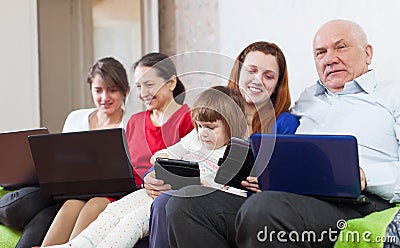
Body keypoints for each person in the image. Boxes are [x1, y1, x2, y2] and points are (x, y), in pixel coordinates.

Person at [166, 19, 400, 248]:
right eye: (320, 52)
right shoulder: (307, 100)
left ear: (367, 53)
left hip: (359, 204)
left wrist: (365, 176)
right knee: (186, 204)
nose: (329, 58)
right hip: (295, 199)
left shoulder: (392, 95)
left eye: (341, 47)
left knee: (262, 208)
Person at [39, 85, 248, 248]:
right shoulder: (196, 137)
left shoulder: (236, 151)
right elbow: (166, 153)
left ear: (231, 124)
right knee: (114, 210)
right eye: (199, 126)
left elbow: (226, 192)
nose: (203, 133)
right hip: (162, 191)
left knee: (133, 220)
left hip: (183, 202)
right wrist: (163, 161)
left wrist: (192, 180)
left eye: (210, 128)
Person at [148, 41, 300, 248]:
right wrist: (152, 175)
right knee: (164, 200)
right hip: (199, 193)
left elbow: (291, 178)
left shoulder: (284, 124)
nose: (258, 80)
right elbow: (184, 150)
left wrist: (268, 182)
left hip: (248, 206)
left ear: (276, 86)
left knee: (173, 202)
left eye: (269, 76)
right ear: (238, 73)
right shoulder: (216, 113)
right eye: (251, 71)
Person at [41, 52, 194, 247]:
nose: (143, 93)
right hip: (124, 189)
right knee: (70, 205)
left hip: (150, 194)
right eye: (139, 86)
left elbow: (191, 169)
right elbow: (125, 164)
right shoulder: (135, 121)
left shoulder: (188, 119)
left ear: (171, 83)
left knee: (96, 206)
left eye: (149, 85)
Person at [40, 57, 131, 246]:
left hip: (114, 193)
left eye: (112, 90)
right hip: (76, 191)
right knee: (70, 206)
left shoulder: (131, 123)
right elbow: (61, 160)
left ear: (124, 91)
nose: (104, 98)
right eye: (98, 90)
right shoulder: (76, 118)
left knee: (94, 205)